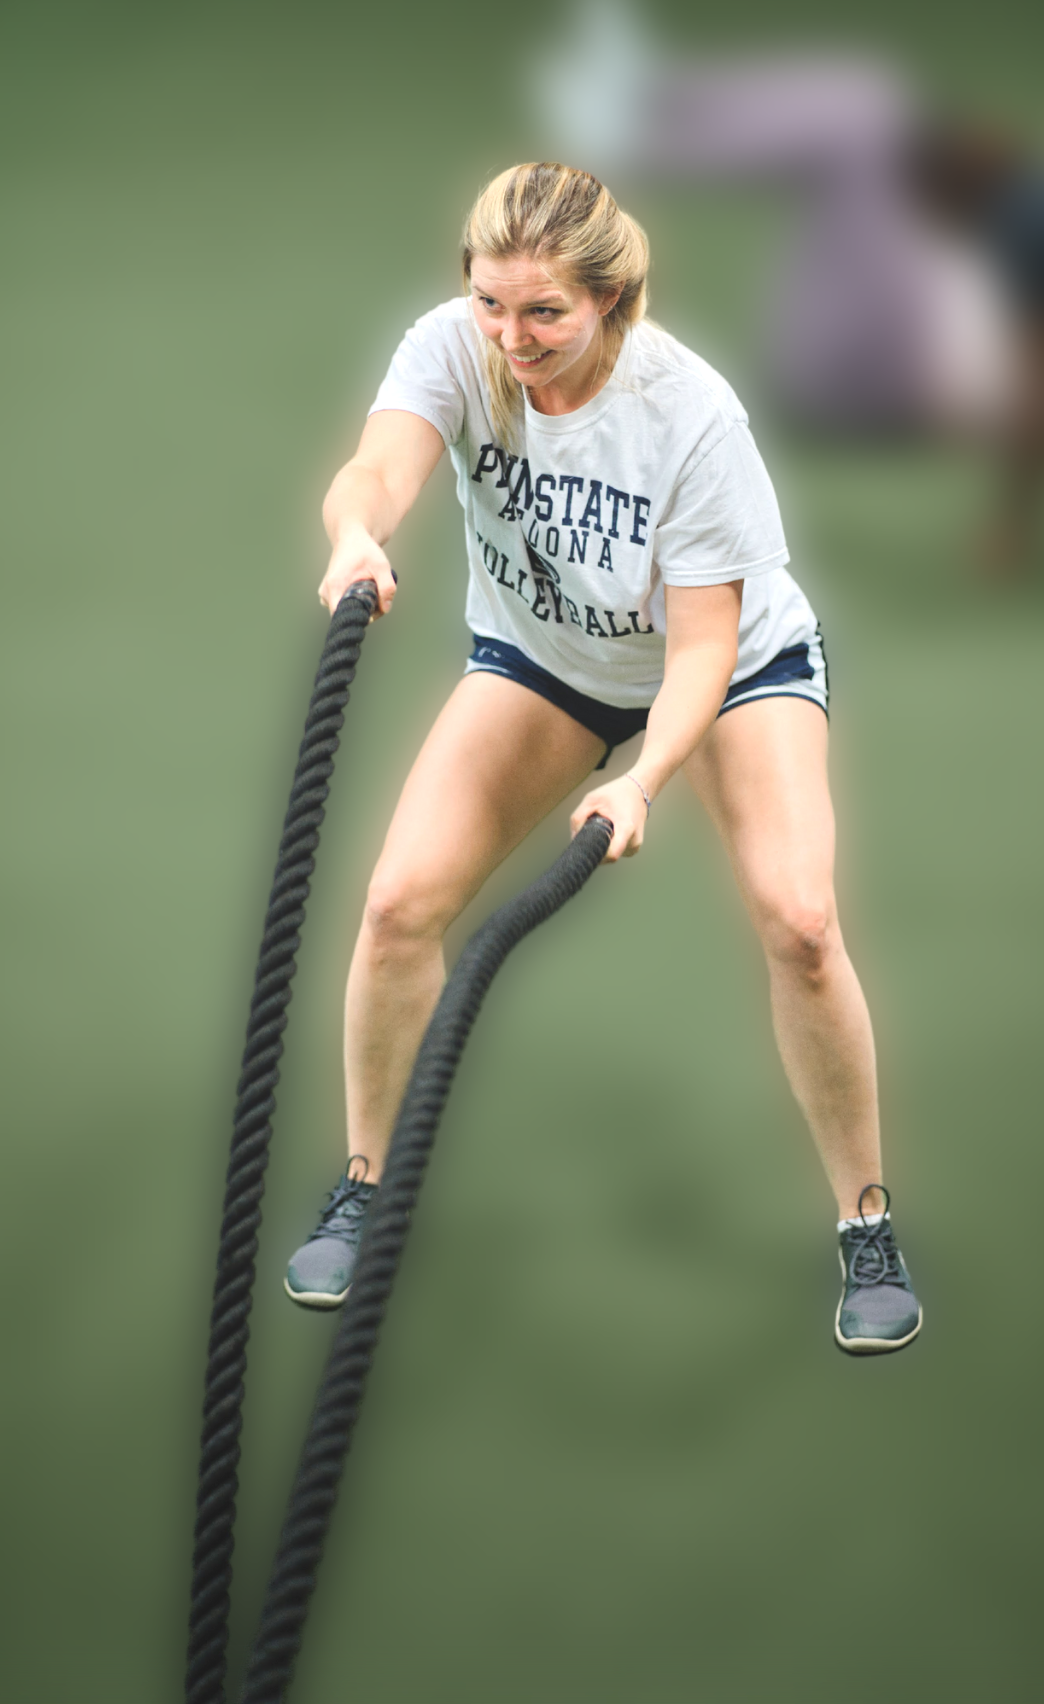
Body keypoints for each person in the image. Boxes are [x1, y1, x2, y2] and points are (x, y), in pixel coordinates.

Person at [283, 162, 922, 1356]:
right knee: (397, 904)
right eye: (490, 303)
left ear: (612, 303)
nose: (511, 339)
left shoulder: (691, 417)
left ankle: (865, 1220)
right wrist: (357, 531)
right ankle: (366, 1186)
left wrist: (640, 781)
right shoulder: (453, 348)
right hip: (545, 656)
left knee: (800, 919)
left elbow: (700, 653)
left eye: (544, 314)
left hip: (730, 671)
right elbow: (379, 466)